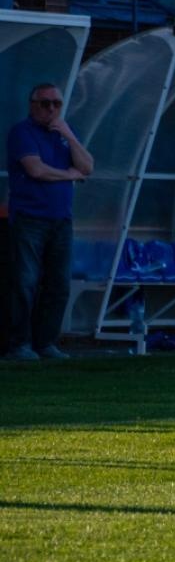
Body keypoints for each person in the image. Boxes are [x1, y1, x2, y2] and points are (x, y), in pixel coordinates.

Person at [6, 83, 93, 360]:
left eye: (56, 103)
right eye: (45, 104)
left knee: (58, 284)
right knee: (25, 282)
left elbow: (87, 167)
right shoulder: (22, 132)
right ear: (32, 105)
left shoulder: (64, 134)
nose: (51, 109)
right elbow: (35, 169)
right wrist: (70, 175)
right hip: (30, 218)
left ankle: (46, 342)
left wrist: (68, 134)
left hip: (61, 220)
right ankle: (19, 343)